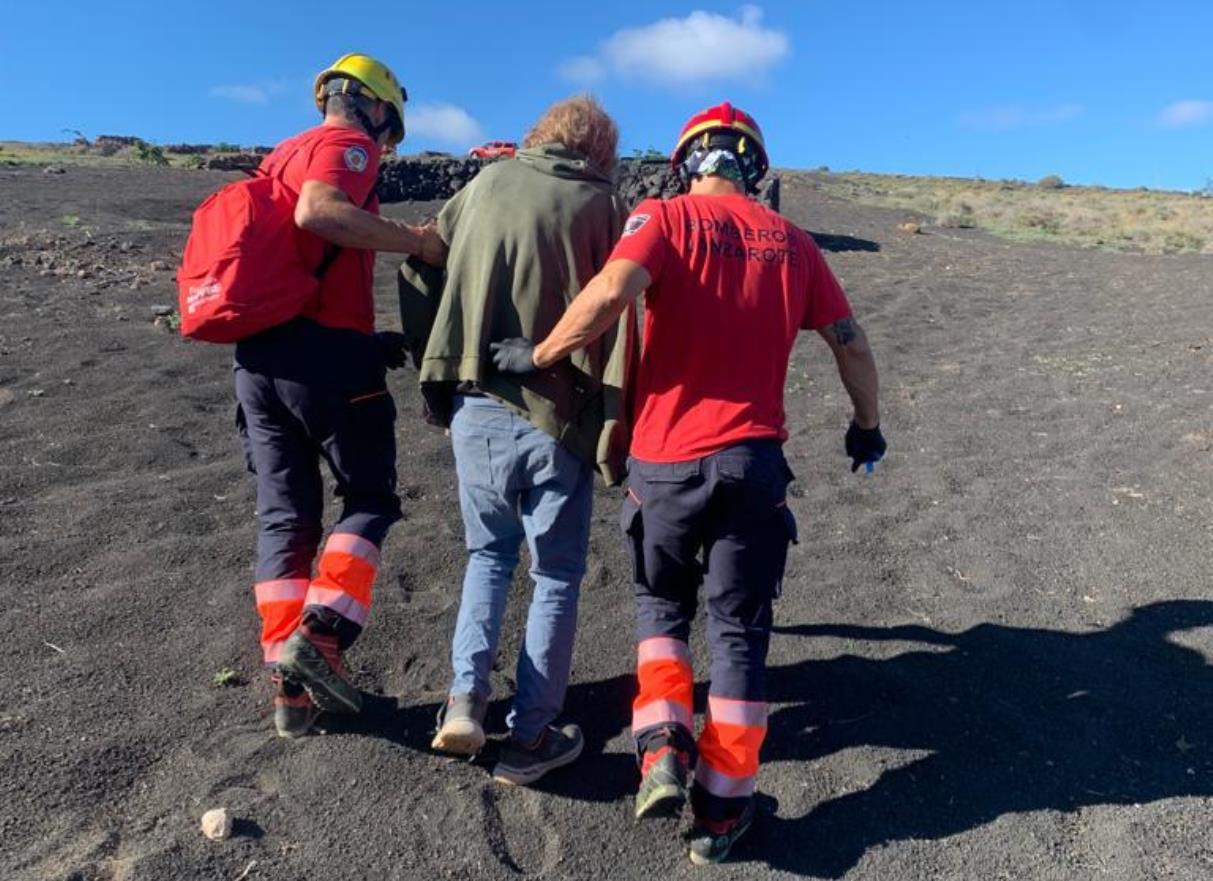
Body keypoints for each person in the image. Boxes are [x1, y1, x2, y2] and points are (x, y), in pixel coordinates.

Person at [491, 102, 886, 863]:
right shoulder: (796, 245)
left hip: (664, 464)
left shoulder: (662, 220)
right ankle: (721, 811)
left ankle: (661, 748)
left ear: (685, 161)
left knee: (660, 609)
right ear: (753, 165)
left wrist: (540, 353)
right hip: (752, 466)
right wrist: (865, 425)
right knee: (738, 633)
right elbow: (850, 343)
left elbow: (609, 297)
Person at [408, 96, 634, 785]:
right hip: (554, 413)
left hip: (473, 404)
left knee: (486, 556)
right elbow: (624, 310)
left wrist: (435, 364)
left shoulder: (482, 185)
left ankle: (463, 702)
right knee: (556, 575)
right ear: (599, 149)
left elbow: (423, 261)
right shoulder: (604, 207)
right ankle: (531, 734)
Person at [234, 53, 446, 739]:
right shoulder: (346, 145)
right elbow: (319, 213)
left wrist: (370, 336)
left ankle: (289, 688)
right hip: (323, 358)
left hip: (259, 361)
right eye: (387, 128)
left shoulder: (282, 152)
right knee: (370, 500)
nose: (383, 144)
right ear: (376, 106)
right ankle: (322, 635)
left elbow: (294, 254)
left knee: (285, 520)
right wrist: (416, 242)